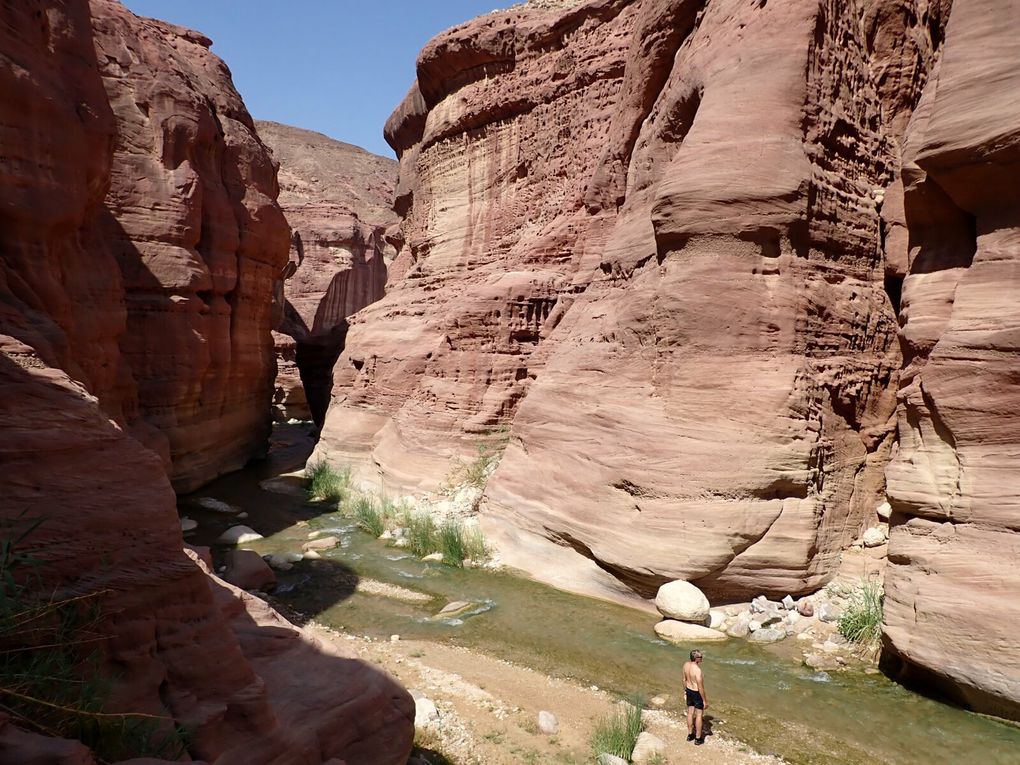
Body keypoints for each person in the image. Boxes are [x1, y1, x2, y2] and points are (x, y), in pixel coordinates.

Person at [683, 649, 708, 745]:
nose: (702, 659)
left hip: (689, 690)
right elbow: (700, 687)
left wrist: (685, 691)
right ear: (696, 658)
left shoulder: (685, 665)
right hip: (696, 693)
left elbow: (684, 679)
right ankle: (698, 738)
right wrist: (705, 701)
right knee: (698, 715)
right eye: (701, 657)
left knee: (690, 713)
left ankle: (690, 735)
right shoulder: (698, 670)